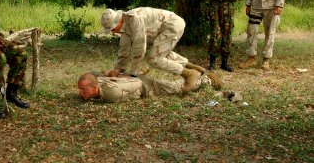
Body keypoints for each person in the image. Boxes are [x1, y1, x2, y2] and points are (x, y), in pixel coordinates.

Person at [101, 7, 205, 93]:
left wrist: (133, 73)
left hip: (172, 25)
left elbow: (139, 48)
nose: (113, 32)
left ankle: (190, 74)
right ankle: (196, 69)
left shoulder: (134, 19)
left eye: (112, 29)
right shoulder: (125, 27)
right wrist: (117, 69)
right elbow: (124, 50)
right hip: (162, 29)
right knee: (163, 53)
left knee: (154, 59)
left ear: (118, 22)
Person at [78, 70, 222, 102]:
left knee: (175, 88)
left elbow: (137, 86)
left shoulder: (111, 93)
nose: (80, 92)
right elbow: (96, 76)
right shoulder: (97, 83)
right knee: (172, 85)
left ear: (94, 87)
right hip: (135, 79)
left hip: (146, 86)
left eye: (83, 89)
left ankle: (205, 79)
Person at [203, 0, 242, 72]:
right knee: (215, 35)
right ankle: (212, 62)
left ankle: (224, 63)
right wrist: (207, 9)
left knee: (227, 35)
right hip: (216, 7)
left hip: (229, 8)